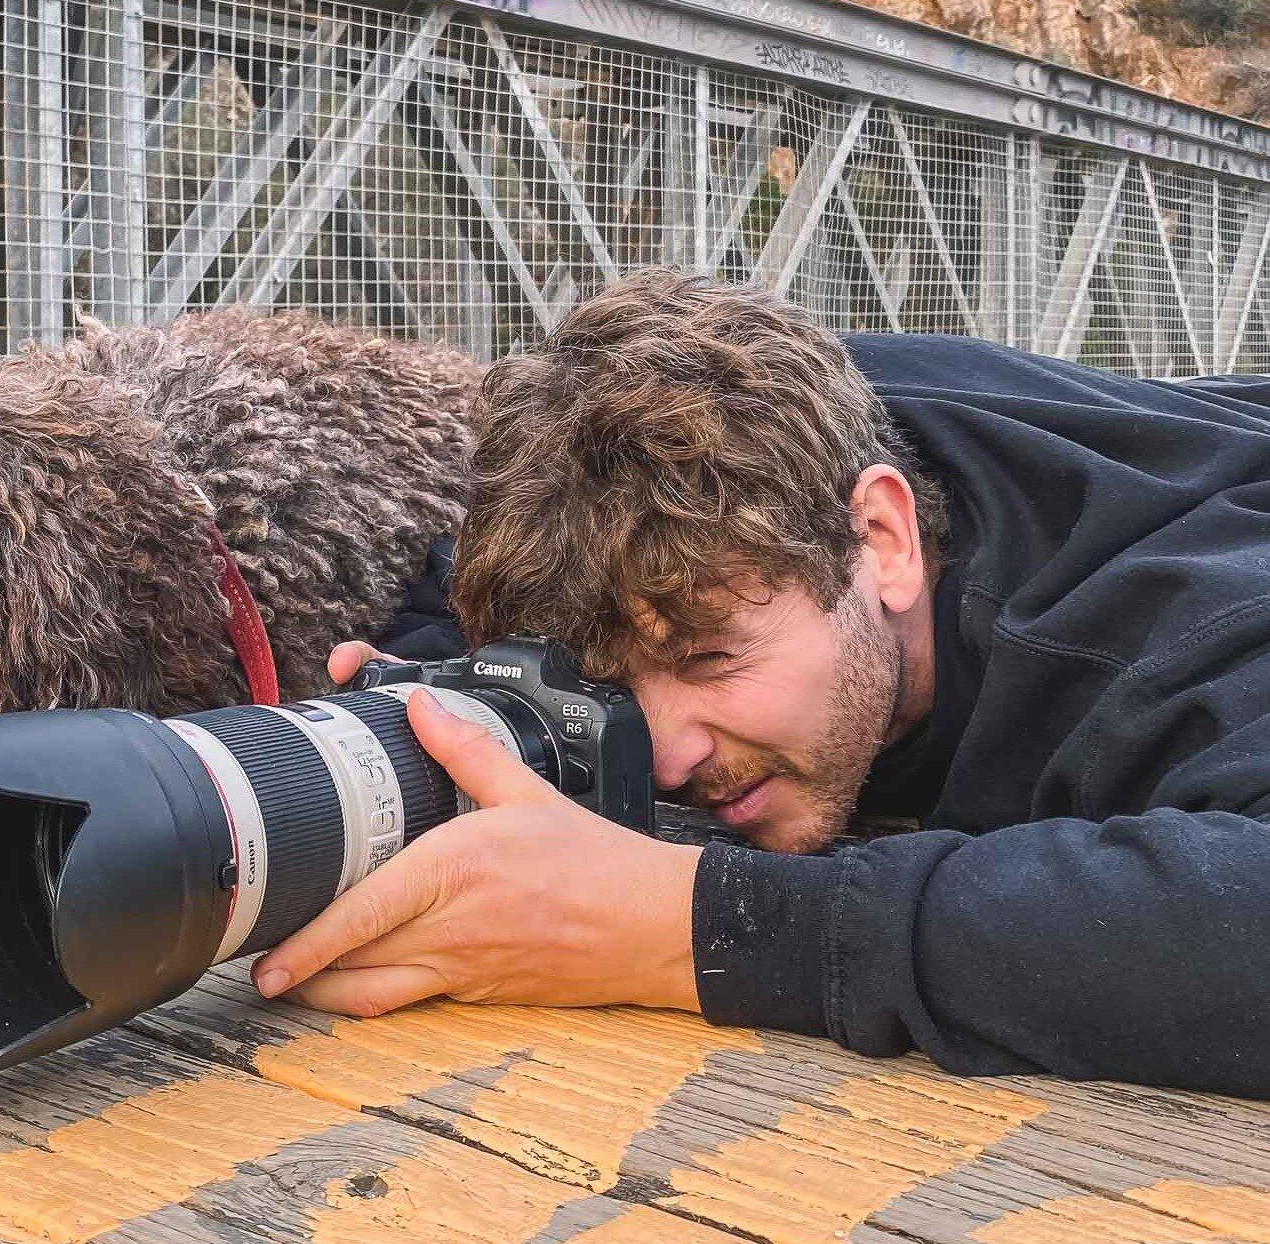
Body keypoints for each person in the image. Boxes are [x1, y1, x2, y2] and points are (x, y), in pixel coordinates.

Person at [249, 268, 1270, 1096]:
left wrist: (686, 924)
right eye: (616, 686)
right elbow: (454, 575)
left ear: (884, 538)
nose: (673, 753)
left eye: (709, 657)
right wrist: (448, 702)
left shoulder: (1172, 633)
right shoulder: (750, 448)